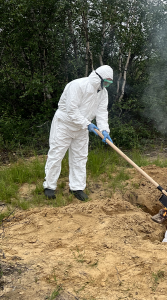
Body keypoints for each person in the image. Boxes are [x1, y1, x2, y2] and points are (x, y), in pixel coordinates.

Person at [43, 65, 114, 201]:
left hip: (82, 128)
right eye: (105, 82)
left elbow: (102, 112)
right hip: (64, 125)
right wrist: (88, 124)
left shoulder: (103, 93)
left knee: (80, 157)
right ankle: (49, 187)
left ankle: (77, 188)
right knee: (56, 155)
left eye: (109, 83)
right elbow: (71, 110)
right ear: (98, 78)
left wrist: (104, 130)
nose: (106, 85)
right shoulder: (77, 85)